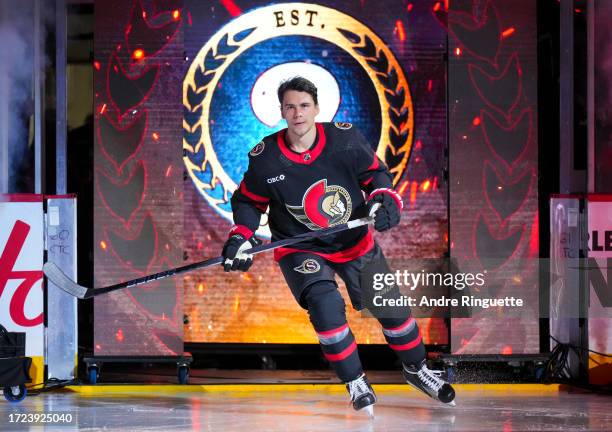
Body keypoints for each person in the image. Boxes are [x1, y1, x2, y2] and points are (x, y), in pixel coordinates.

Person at [221, 76, 456, 415]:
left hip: (353, 242)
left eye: (304, 106)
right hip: (301, 247)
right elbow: (248, 202)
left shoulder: (344, 139)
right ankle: (354, 379)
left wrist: (382, 200)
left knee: (392, 309)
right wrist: (240, 236)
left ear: (316, 108)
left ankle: (417, 369)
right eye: (290, 107)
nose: (298, 113)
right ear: (282, 112)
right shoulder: (266, 158)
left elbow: (376, 175)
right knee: (324, 305)